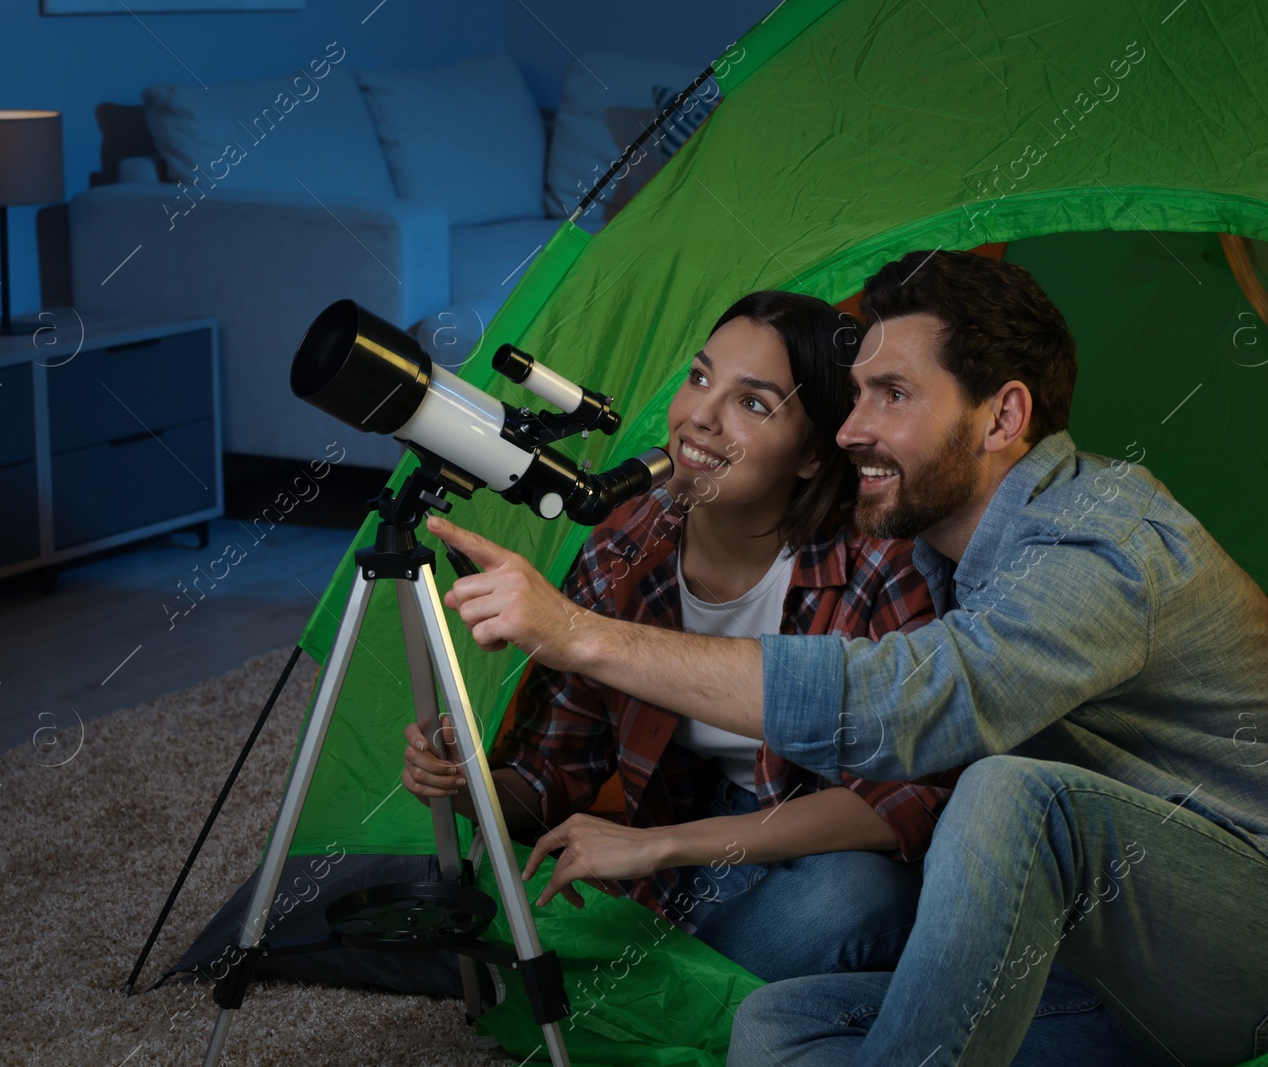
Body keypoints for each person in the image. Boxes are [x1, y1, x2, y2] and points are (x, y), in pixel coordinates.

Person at [424, 250, 1268, 1065]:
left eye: (891, 395)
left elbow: (910, 709)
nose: (854, 423)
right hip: (1127, 970)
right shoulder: (923, 549)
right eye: (853, 393)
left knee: (1004, 796)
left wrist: (577, 631)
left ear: (1002, 415)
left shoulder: (1101, 540)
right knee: (779, 1027)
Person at [401, 290, 960, 983]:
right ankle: (703, 975)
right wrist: (462, 785)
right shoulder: (622, 550)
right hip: (696, 851)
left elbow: (908, 800)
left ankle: (677, 977)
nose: (700, 416)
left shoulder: (881, 562)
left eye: (752, 404)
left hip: (821, 847)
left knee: (855, 901)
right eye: (700, 378)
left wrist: (655, 846)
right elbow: (554, 775)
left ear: (814, 453)